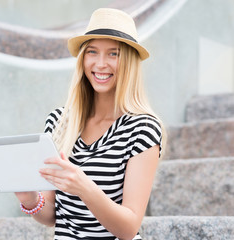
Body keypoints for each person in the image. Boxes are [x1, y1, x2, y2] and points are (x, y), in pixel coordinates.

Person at [15, 8, 164, 240]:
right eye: (92, 52)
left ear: (129, 63)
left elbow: (128, 228)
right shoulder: (58, 122)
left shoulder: (142, 129)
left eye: (113, 54)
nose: (100, 63)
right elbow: (51, 216)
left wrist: (84, 187)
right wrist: (29, 199)